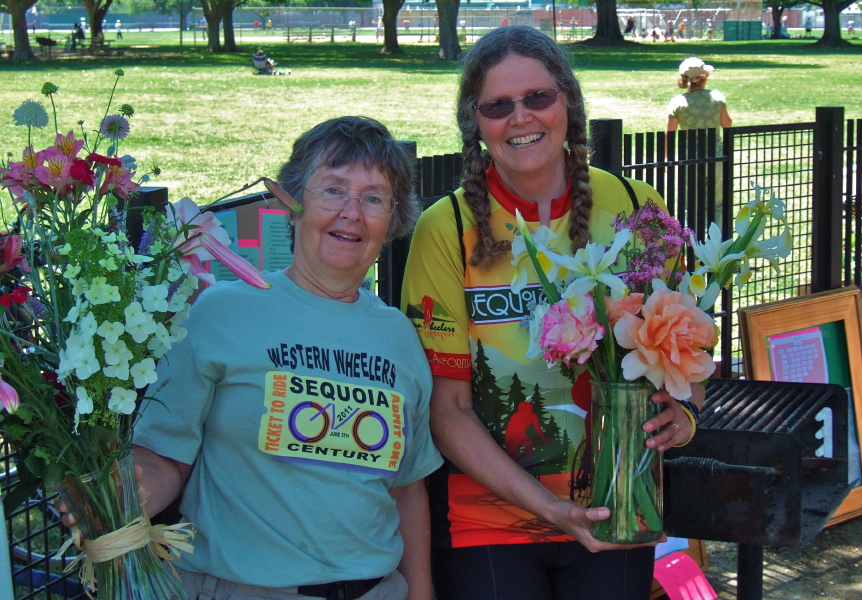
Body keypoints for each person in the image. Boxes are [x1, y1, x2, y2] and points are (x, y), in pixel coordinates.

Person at [61, 117, 443, 600]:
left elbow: (407, 488)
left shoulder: (399, 339)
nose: (352, 212)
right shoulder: (221, 313)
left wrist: (422, 592)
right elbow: (164, 460)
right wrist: (119, 496)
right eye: (332, 190)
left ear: (394, 219)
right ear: (293, 202)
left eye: (373, 198)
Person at [401, 26, 701, 600]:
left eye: (538, 97)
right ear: (476, 122)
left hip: (618, 509)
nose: (520, 118)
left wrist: (685, 417)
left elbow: (686, 360)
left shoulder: (639, 212)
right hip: (486, 526)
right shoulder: (447, 228)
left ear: (569, 103)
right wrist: (549, 508)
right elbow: (449, 408)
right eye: (497, 106)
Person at [666, 57, 733, 223]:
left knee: (692, 203)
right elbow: (727, 123)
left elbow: (670, 131)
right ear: (704, 77)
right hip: (715, 156)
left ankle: (693, 242)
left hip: (690, 159)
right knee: (717, 201)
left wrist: (667, 157)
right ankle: (719, 242)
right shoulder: (717, 97)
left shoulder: (678, 102)